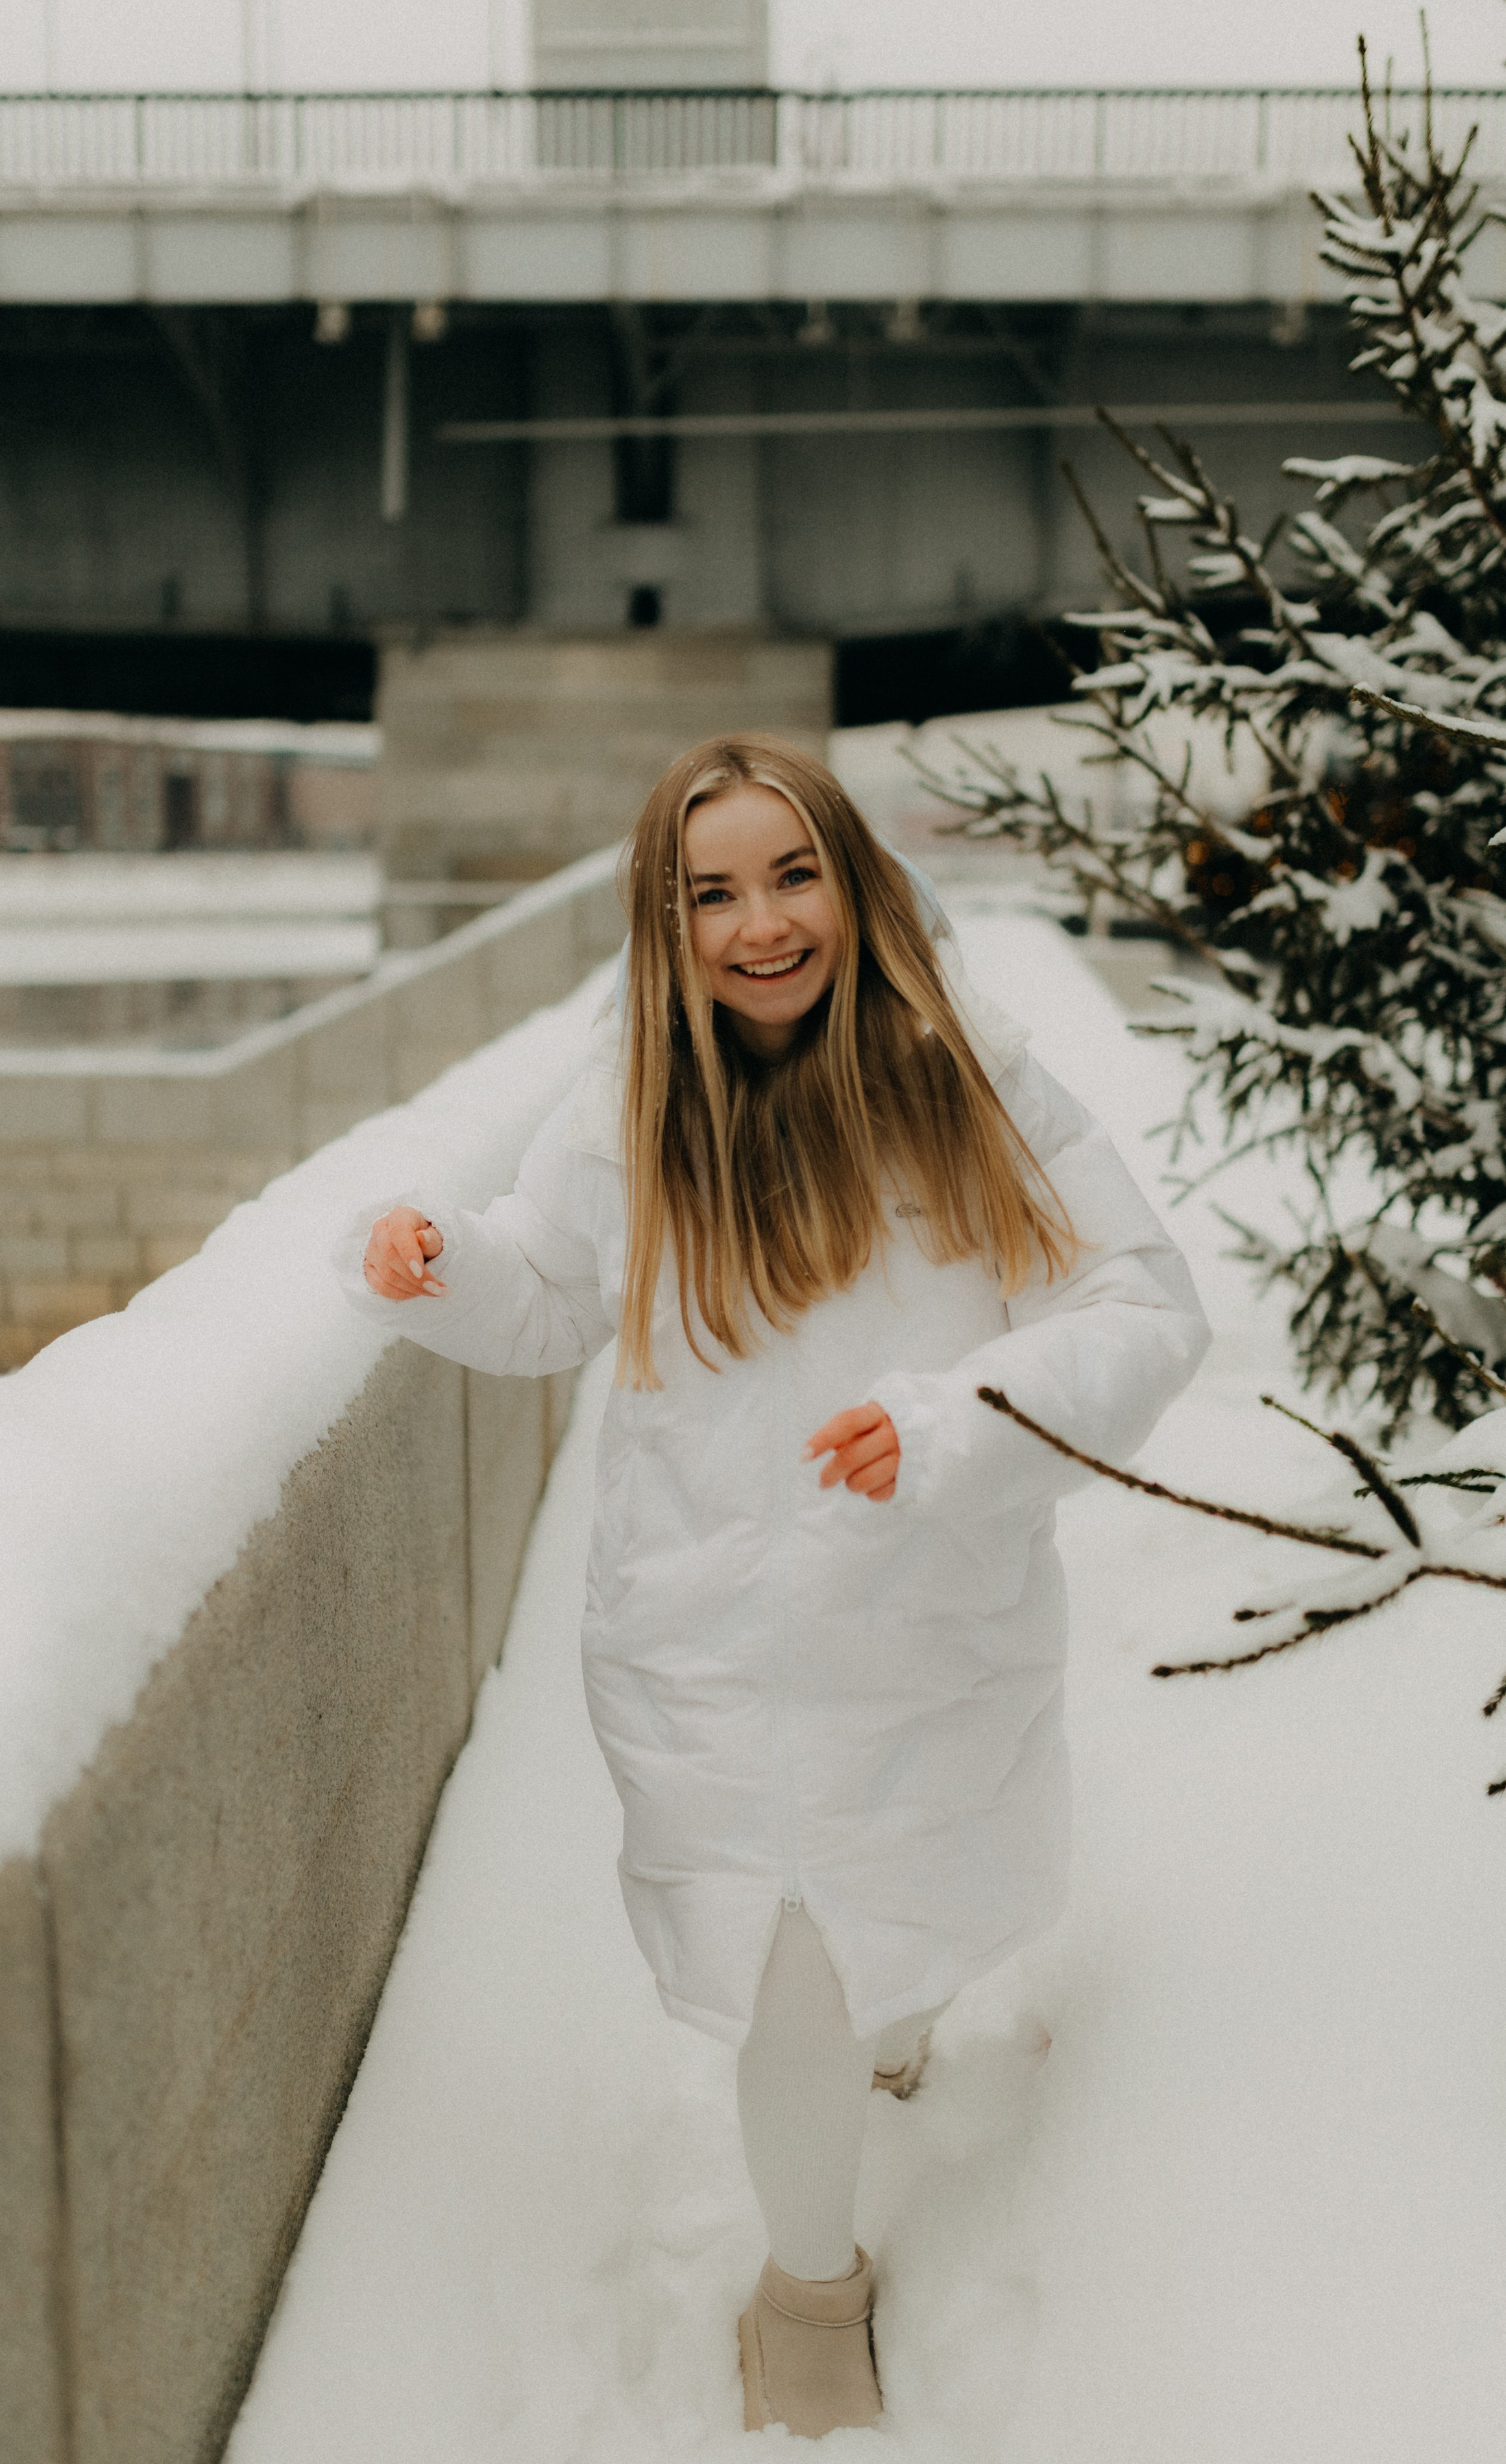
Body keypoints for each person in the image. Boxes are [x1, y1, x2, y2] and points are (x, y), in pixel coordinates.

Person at [333, 735, 1208, 2439]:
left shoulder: (973, 1072)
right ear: (662, 922)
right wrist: (435, 1267)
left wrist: (950, 1424)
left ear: (856, 880)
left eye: (790, 874)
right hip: (711, 1637)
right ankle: (814, 2282)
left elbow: (1144, 1308)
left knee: (909, 1918)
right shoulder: (628, 1097)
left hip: (922, 1619)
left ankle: (906, 2022)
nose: (758, 924)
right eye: (710, 891)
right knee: (790, 1972)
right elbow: (547, 1296)